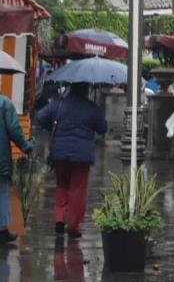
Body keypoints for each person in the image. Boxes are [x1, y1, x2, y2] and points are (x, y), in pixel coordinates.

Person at [37, 83, 107, 239]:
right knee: (78, 191)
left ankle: (59, 220)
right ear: (86, 90)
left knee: (61, 185)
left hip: (60, 154)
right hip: (81, 157)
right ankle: (73, 227)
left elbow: (40, 117)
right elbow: (103, 128)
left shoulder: (59, 104)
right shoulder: (91, 108)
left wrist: (54, 127)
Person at [0, 95, 33, 244]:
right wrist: (26, 147)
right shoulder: (4, 104)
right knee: (1, 192)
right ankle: (2, 231)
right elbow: (14, 130)